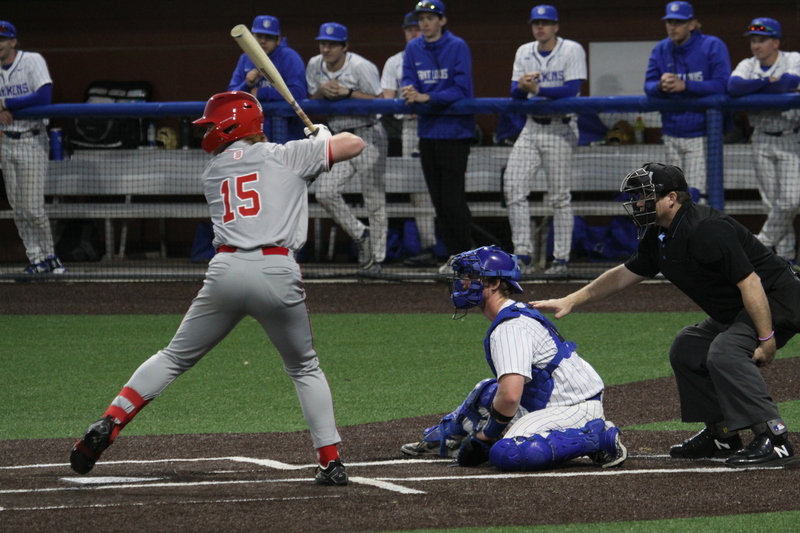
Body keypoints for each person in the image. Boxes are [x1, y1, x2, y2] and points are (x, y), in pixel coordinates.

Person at [69, 91, 366, 486]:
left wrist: (314, 152)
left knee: (173, 357)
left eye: (211, 124)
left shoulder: (214, 170)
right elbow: (354, 144)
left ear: (230, 125)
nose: (206, 131)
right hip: (276, 270)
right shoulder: (287, 153)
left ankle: (112, 420)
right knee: (304, 367)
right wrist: (320, 141)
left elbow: (273, 179)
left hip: (225, 271)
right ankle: (330, 461)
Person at [532, 162, 800, 469]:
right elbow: (623, 274)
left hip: (774, 300)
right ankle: (722, 433)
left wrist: (766, 339)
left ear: (671, 197)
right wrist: (572, 299)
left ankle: (774, 438)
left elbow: (750, 282)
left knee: (725, 353)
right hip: (739, 308)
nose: (637, 203)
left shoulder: (706, 229)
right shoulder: (660, 233)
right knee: (688, 347)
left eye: (644, 195)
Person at [401, 245, 627, 471]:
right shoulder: (512, 314)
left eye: (470, 276)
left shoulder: (511, 327)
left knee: (508, 453)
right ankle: (449, 438)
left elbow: (510, 396)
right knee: (487, 391)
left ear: (495, 283)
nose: (463, 282)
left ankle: (597, 438)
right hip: (550, 399)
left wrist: (484, 438)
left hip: (572, 407)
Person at [503, 5, 586, 277]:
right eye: (536, 22)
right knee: (513, 189)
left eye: (546, 23)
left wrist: (535, 89)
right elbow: (515, 93)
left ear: (556, 26)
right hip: (531, 127)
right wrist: (522, 87)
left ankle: (560, 260)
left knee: (559, 198)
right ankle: (523, 255)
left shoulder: (572, 49)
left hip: (560, 128)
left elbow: (571, 89)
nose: (540, 27)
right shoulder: (524, 51)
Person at [401, 0, 476, 273]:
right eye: (421, 18)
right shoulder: (413, 48)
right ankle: (456, 258)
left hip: (455, 133)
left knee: (453, 201)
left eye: (430, 18)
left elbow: (460, 89)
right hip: (427, 132)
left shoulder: (457, 46)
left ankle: (469, 257)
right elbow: (408, 80)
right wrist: (409, 92)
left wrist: (426, 97)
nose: (425, 22)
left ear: (442, 21)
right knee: (438, 202)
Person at [307, 22, 388, 274]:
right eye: (323, 43)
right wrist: (321, 91)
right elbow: (310, 99)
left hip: (367, 133)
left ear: (345, 46)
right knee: (324, 192)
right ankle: (360, 233)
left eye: (332, 44)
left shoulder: (361, 66)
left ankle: (377, 260)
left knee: (373, 199)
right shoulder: (313, 64)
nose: (326, 48)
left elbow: (382, 102)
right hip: (339, 137)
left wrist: (348, 92)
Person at [728, 18, 800, 264]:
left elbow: (787, 85)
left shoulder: (793, 59)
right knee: (772, 204)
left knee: (791, 200)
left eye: (762, 40)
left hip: (791, 136)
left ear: (776, 42)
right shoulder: (748, 65)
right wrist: (766, 82)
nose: (756, 46)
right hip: (760, 138)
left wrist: (757, 89)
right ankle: (785, 260)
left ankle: (762, 243)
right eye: (753, 41)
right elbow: (734, 86)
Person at [644, 1, 731, 200]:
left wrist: (686, 85)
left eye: (678, 22)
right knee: (675, 195)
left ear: (692, 24)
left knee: (695, 195)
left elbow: (723, 84)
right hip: (671, 133)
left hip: (703, 135)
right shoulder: (661, 49)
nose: (672, 27)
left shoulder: (712, 45)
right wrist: (660, 86)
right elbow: (648, 86)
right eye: (669, 22)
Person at [0, 21, 65, 274]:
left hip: (31, 139)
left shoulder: (32, 60)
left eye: (3, 39)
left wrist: (5, 103)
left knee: (33, 208)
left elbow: (43, 96)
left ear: (13, 41)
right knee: (18, 209)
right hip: (6, 141)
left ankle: (51, 257)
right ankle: (36, 259)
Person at [381, 12, 438, 268]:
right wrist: (406, 103)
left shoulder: (436, 54)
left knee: (439, 188)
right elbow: (386, 100)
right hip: (409, 129)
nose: (414, 33)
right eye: (409, 29)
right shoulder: (395, 61)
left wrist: (425, 100)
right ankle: (429, 246)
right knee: (418, 192)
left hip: (436, 125)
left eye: (417, 28)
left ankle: (445, 246)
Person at [227, 15, 307, 142]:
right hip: (252, 132)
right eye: (259, 36)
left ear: (278, 39)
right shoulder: (245, 58)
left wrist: (261, 93)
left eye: (268, 37)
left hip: (286, 131)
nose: (263, 41)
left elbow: (299, 93)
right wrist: (246, 84)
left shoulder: (289, 57)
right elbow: (231, 95)